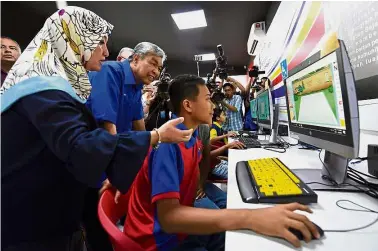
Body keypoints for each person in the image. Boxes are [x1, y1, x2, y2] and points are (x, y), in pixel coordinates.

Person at [1, 7, 193, 251]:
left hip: (52, 210)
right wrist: (155, 137)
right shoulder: (42, 88)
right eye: (100, 42)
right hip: (32, 221)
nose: (105, 51)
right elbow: (82, 145)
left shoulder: (54, 84)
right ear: (74, 38)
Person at [122, 74, 320, 250]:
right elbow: (169, 219)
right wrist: (250, 218)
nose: (214, 106)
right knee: (241, 230)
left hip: (173, 233)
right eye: (208, 99)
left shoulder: (191, 136)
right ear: (188, 105)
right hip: (157, 241)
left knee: (239, 235)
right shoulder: (168, 145)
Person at [86, 42, 165, 133]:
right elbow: (107, 127)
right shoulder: (109, 71)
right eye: (153, 64)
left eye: (159, 68)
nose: (156, 72)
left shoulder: (137, 86)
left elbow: (138, 124)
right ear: (136, 59)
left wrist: (151, 142)